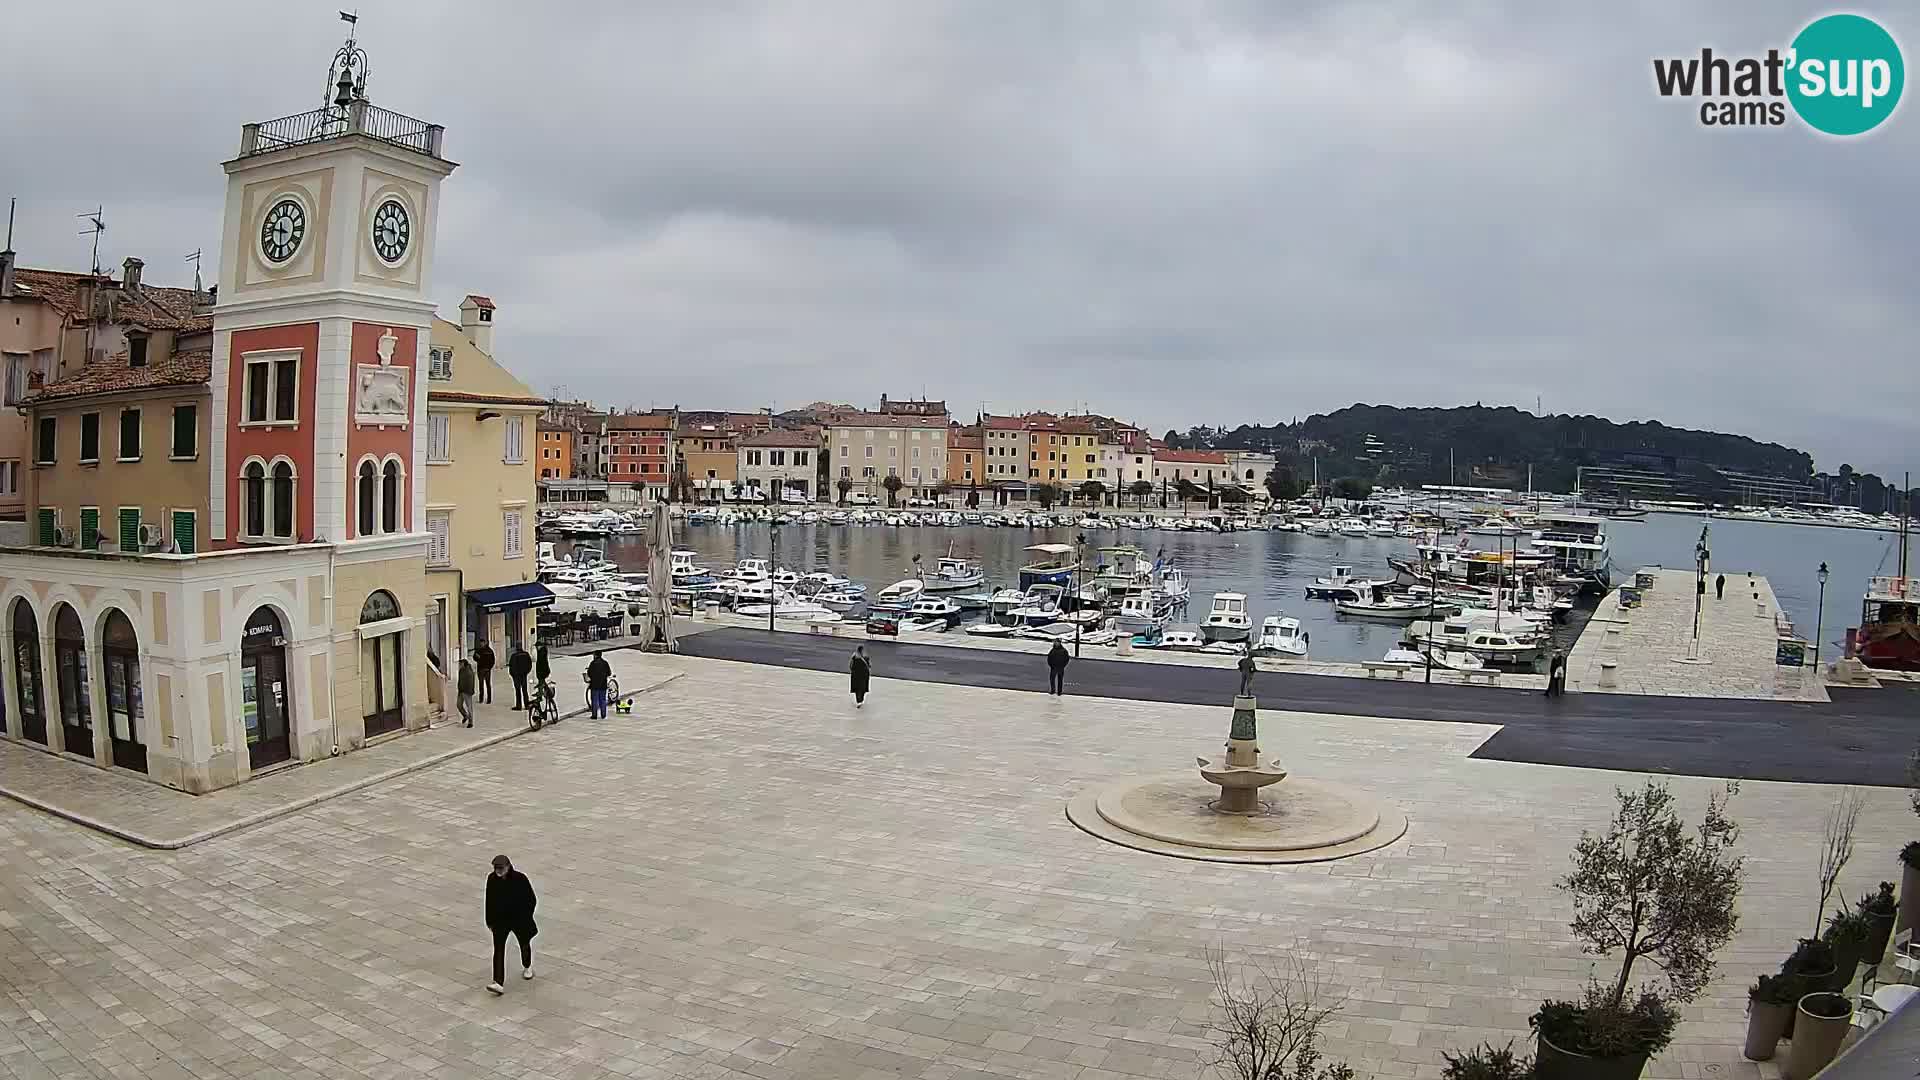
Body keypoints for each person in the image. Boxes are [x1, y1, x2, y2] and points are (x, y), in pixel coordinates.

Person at [484, 855, 538, 995]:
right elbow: (488, 900)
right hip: (500, 922)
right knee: (498, 950)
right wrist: (489, 921)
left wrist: (525, 917)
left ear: (508, 866)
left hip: (519, 920)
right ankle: (498, 982)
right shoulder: (491, 879)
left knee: (524, 943)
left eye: (501, 868)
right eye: (496, 868)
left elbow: (531, 900)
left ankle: (527, 965)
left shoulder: (520, 879)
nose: (498, 871)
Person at [508, 643, 534, 711]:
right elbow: (530, 664)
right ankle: (526, 705)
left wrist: (512, 674)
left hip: (516, 676)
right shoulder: (526, 654)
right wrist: (526, 672)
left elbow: (511, 666)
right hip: (523, 675)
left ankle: (518, 706)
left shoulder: (514, 655)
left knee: (518, 691)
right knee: (525, 690)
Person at [586, 650, 612, 719]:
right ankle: (603, 715)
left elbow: (589, 673)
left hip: (594, 684)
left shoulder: (593, 663)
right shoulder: (605, 663)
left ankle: (594, 715)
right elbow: (609, 673)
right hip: (603, 684)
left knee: (594, 700)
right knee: (603, 700)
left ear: (595, 655)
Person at [473, 640, 496, 704]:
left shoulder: (486, 651)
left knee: (486, 684)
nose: (481, 644)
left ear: (485, 643)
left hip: (484, 669)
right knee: (482, 685)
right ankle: (482, 699)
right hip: (483, 669)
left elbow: (493, 660)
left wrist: (489, 667)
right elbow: (474, 657)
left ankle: (488, 699)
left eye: (482, 643)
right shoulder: (487, 650)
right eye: (481, 643)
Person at [457, 658, 476, 728]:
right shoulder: (461, 671)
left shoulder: (469, 672)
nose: (459, 665)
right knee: (459, 705)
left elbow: (471, 683)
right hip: (461, 690)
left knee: (469, 707)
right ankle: (465, 715)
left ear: (464, 664)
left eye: (460, 664)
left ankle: (470, 722)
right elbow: (459, 680)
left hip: (467, 691)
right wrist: (459, 689)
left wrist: (470, 691)